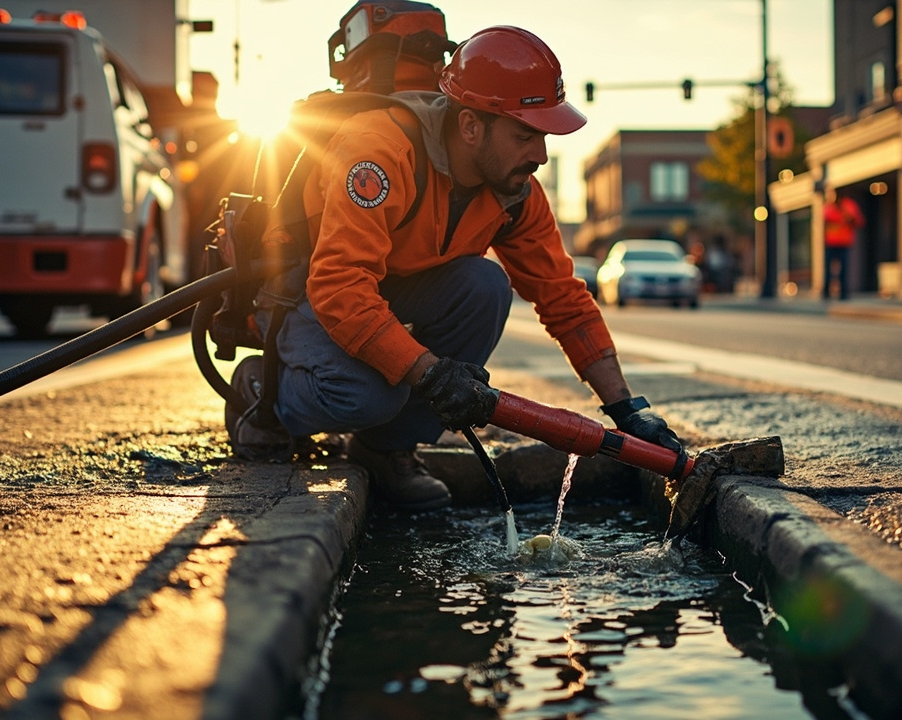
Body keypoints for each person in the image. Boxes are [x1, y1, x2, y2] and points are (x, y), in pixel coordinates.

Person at [225, 26, 684, 510]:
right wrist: (428, 373)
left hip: (383, 292)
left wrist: (627, 410)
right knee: (369, 397)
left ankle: (386, 450)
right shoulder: (379, 150)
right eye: (525, 134)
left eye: (543, 136)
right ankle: (263, 394)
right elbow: (340, 287)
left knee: (486, 285)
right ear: (470, 126)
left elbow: (563, 299)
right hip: (309, 295)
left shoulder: (514, 192)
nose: (541, 155)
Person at [821, 186, 865, 300]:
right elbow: (826, 218)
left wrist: (844, 212)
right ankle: (826, 292)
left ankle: (843, 293)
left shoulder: (849, 205)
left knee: (844, 268)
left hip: (844, 242)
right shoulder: (828, 206)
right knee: (828, 269)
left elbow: (858, 221)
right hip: (830, 242)